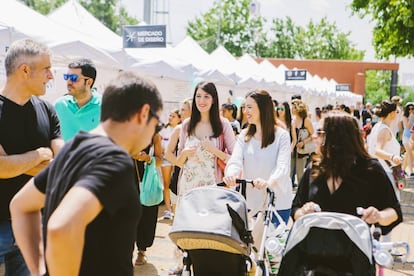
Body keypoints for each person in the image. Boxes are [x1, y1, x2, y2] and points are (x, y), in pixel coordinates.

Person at [10, 71, 163, 276]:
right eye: (157, 125)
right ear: (144, 113)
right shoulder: (115, 160)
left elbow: (21, 205)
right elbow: (61, 228)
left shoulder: (73, 148)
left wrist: (39, 269)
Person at [0, 38, 63, 275]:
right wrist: (39, 155)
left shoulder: (47, 110)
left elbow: (61, 164)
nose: (51, 75)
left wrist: (14, 162)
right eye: (46, 68)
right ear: (25, 70)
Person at [292, 111, 402, 237]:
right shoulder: (315, 168)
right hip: (313, 251)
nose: (314, 136)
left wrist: (378, 215)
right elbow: (296, 208)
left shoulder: (369, 170)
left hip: (355, 251)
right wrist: (303, 212)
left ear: (336, 137)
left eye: (319, 133)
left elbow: (394, 211)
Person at [223, 90, 293, 226]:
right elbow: (235, 161)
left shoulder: (282, 136)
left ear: (263, 108)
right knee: (250, 245)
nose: (245, 111)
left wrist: (269, 182)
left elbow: (283, 167)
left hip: (277, 202)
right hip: (251, 203)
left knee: (272, 245)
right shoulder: (244, 135)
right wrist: (231, 175)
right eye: (245, 107)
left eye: (250, 107)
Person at [175, 81, 236, 196]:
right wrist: (184, 153)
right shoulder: (187, 125)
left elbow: (235, 159)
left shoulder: (223, 125)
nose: (201, 101)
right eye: (198, 96)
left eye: (206, 96)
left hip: (213, 189)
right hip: (188, 189)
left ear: (213, 99)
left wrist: (215, 151)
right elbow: (179, 162)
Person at [133, 132, 163, 266]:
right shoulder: (123, 126)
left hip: (145, 179)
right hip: (125, 175)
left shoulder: (154, 133)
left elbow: (160, 160)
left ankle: (142, 250)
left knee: (146, 213)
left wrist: (148, 159)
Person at [54, 58, 101, 141]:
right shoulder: (59, 105)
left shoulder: (106, 107)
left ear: (89, 82)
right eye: (67, 77)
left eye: (73, 78)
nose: (68, 82)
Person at [366, 100, 403, 201]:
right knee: (391, 204)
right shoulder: (384, 130)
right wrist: (393, 157)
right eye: (397, 112)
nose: (397, 114)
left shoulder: (378, 126)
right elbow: (377, 151)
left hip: (383, 171)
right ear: (391, 114)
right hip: (387, 172)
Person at [158, 109, 181, 219]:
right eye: (170, 115)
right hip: (166, 159)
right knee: (167, 184)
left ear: (179, 118)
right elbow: (160, 144)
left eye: (173, 116)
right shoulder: (164, 129)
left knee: (176, 184)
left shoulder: (182, 129)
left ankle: (176, 208)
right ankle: (168, 209)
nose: (170, 117)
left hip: (179, 160)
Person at [291, 100, 315, 186]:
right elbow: (294, 138)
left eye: (293, 107)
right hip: (294, 150)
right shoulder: (293, 121)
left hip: (302, 150)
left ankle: (302, 194)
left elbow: (313, 134)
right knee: (290, 173)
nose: (291, 109)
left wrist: (303, 142)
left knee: (300, 174)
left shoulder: (306, 120)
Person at [401, 102, 414, 176]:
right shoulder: (404, 117)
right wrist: (411, 117)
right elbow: (408, 127)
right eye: (409, 109)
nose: (411, 110)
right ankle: (411, 171)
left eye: (412, 108)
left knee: (407, 154)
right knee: (409, 153)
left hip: (412, 138)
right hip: (406, 137)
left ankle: (402, 170)